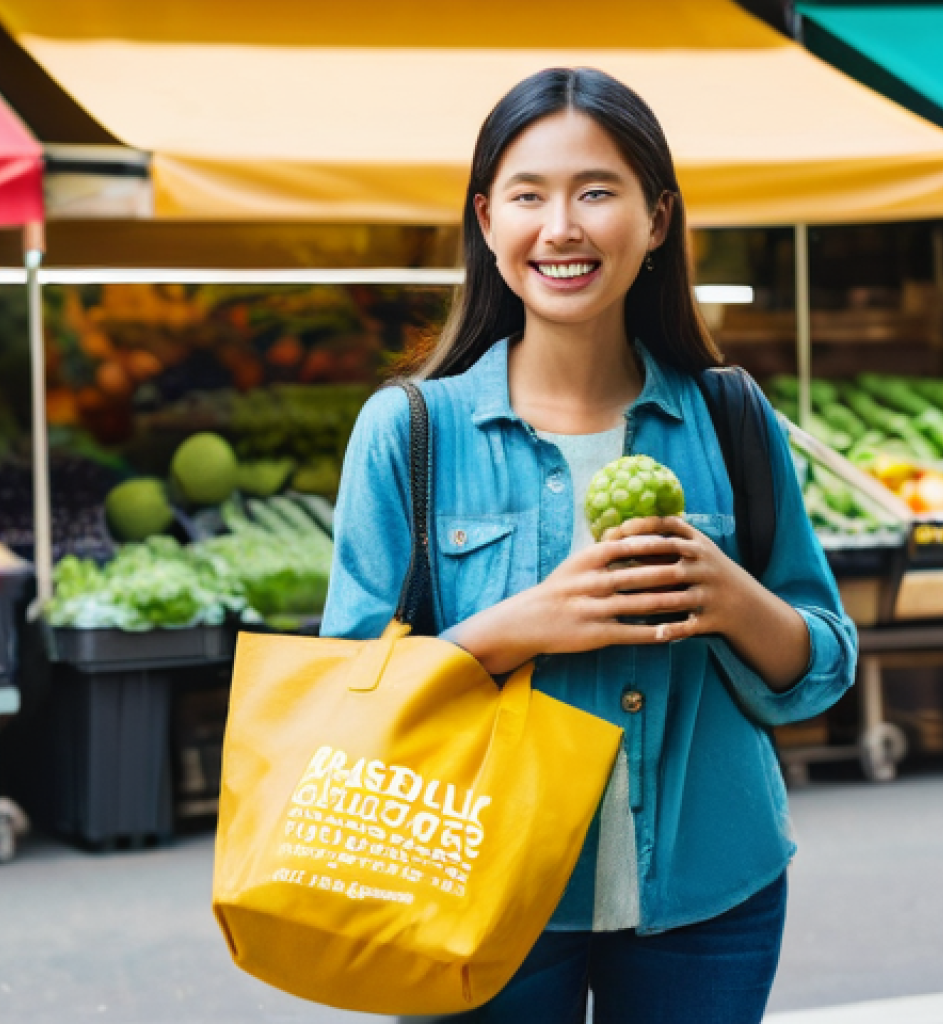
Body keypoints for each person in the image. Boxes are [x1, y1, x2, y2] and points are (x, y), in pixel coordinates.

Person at [320, 67, 857, 1024]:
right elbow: (352, 695)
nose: (561, 226)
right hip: (481, 889)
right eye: (529, 195)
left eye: (596, 192)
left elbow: (822, 664)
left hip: (711, 890)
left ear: (656, 220)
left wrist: (731, 597)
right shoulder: (408, 431)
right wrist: (521, 625)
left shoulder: (729, 415)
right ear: (487, 220)